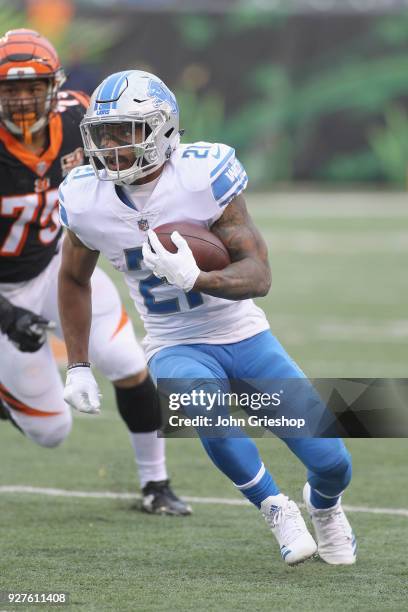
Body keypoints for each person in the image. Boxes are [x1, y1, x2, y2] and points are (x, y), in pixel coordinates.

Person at [58, 69, 357, 565]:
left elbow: (258, 274)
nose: (111, 145)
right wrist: (78, 364)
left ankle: (324, 508)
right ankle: (274, 506)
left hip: (243, 333)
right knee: (200, 406)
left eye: (126, 131)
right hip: (174, 343)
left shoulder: (203, 174)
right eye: (104, 132)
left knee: (332, 463)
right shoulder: (85, 198)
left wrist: (196, 277)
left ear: (163, 131)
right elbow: (71, 279)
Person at [0, 29, 190, 516]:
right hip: (3, 291)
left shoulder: (78, 117)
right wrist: (6, 314)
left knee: (128, 363)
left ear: (55, 85)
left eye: (33, 86)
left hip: (56, 268)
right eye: (10, 89)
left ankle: (156, 483)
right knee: (52, 430)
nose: (22, 99)